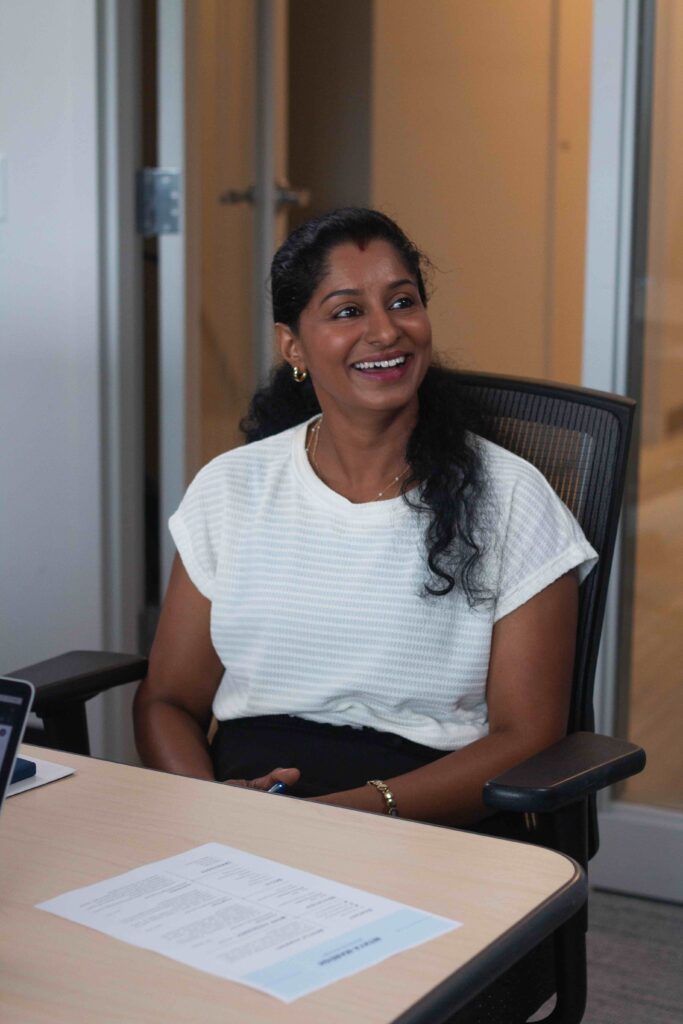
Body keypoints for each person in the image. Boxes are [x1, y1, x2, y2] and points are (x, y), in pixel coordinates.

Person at [134, 207, 597, 828]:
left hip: (427, 814)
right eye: (348, 311)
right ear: (293, 345)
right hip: (245, 806)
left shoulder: (512, 497)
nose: (386, 332)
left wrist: (339, 816)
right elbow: (167, 701)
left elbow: (528, 736)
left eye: (402, 302)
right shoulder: (232, 487)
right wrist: (214, 805)